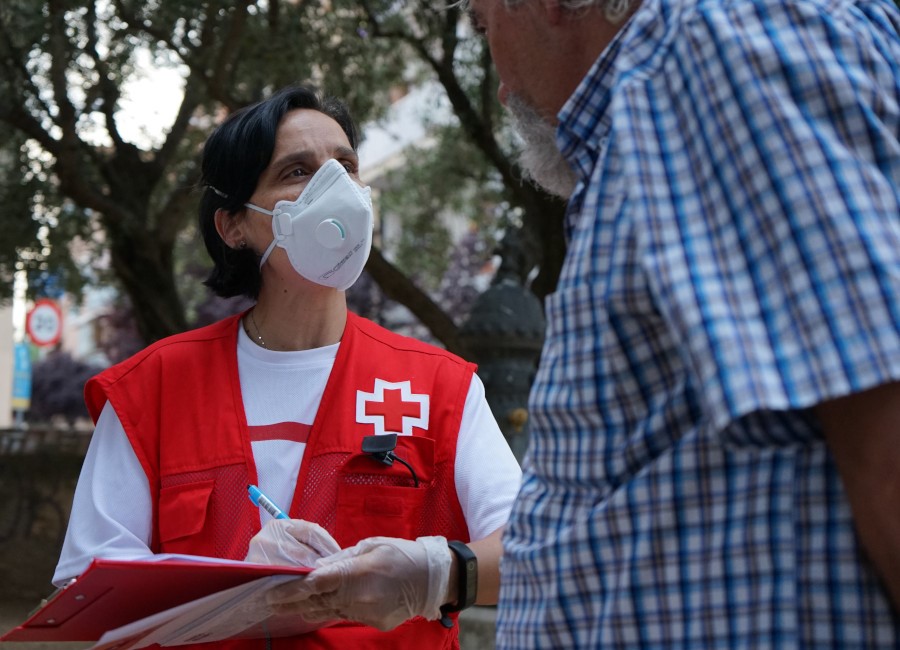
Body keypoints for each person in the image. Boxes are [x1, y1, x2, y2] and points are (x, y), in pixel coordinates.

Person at [463, 0, 900, 647]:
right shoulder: (670, 92)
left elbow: (885, 435)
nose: (499, 83)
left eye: (481, 24)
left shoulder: (704, 43)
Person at [54, 84, 522, 649]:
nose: (336, 189)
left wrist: (436, 571)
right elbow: (91, 592)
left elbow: (535, 552)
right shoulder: (151, 391)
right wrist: (233, 601)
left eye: (345, 166)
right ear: (234, 225)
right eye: (297, 172)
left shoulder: (438, 387)